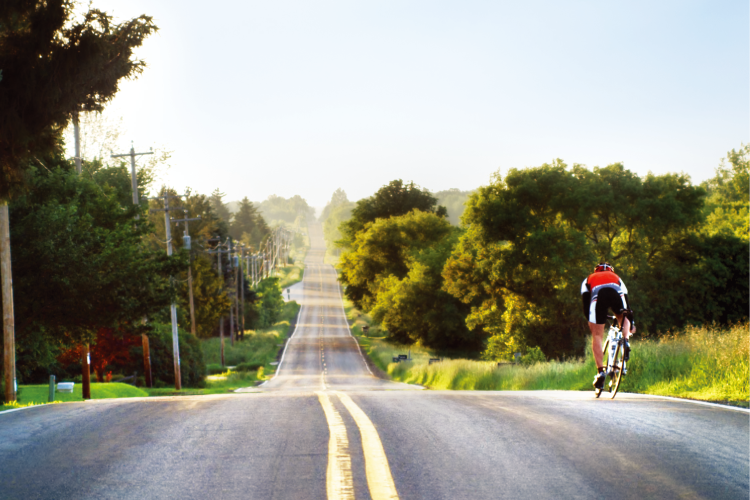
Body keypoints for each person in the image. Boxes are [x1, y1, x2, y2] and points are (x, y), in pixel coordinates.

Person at [581, 262, 636, 390]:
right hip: (616, 293)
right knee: (623, 316)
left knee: (597, 336)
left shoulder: (588, 279)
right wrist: (632, 322)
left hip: (598, 296)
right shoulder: (617, 278)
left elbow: (585, 304)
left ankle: (600, 373)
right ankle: (626, 341)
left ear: (596, 271)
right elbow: (627, 305)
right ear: (611, 270)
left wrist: (591, 320)